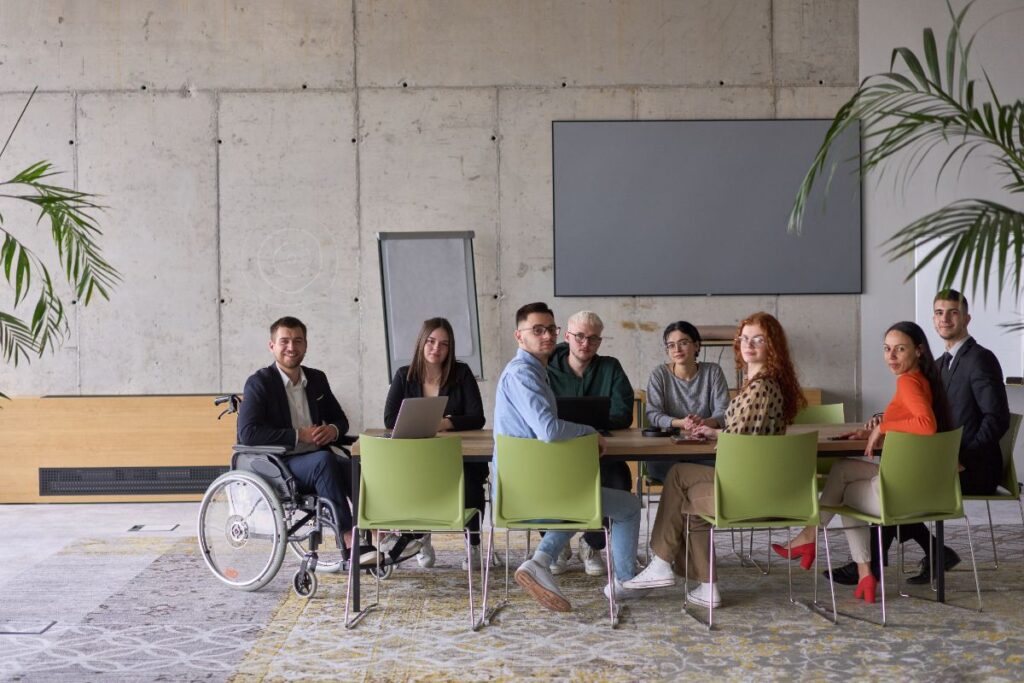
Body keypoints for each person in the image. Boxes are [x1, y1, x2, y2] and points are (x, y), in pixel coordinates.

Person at [826, 290, 1011, 586]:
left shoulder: (980, 360)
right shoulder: (940, 364)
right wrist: (880, 421)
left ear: (967, 318)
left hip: (974, 467)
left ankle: (872, 564)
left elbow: (997, 419)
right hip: (941, 463)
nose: (945, 318)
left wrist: (963, 457)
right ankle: (930, 553)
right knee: (901, 481)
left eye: (952, 312)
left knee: (897, 486)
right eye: (939, 312)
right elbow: (919, 410)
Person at [624, 312, 806, 608]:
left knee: (679, 477)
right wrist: (713, 431)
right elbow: (744, 435)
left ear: (772, 345)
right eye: (744, 338)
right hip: (757, 482)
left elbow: (740, 444)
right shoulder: (763, 383)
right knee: (692, 499)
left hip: (747, 489)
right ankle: (708, 587)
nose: (748, 344)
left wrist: (716, 434)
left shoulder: (760, 388)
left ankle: (660, 562)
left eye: (758, 339)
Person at [780, 321, 953, 604]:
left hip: (900, 494)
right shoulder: (922, 380)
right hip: (925, 488)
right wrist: (874, 428)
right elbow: (913, 426)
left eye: (900, 349)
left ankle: (815, 541)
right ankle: (862, 573)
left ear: (919, 351)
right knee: (843, 469)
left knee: (844, 494)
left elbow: (925, 425)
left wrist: (883, 428)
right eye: (887, 350)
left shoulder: (909, 382)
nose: (891, 356)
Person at [495, 302, 644, 611]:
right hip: (530, 492)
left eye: (551, 329)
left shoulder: (535, 371)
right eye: (537, 330)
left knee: (581, 499)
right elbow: (548, 430)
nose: (547, 335)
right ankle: (625, 582)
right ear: (518, 336)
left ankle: (540, 560)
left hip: (531, 486)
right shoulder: (523, 374)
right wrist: (590, 432)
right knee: (627, 507)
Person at [237, 316, 379, 565]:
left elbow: (340, 419)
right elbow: (248, 433)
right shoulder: (259, 383)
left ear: (306, 345)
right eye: (284, 341)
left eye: (298, 341)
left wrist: (333, 431)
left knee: (356, 466)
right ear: (272, 346)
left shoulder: (316, 379)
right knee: (325, 461)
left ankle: (377, 532)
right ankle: (348, 539)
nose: (291, 347)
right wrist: (297, 435)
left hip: (317, 457)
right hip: (281, 464)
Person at [383, 317, 490, 570]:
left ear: (450, 348)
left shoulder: (461, 374)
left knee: (472, 479)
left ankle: (473, 544)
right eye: (431, 341)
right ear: (422, 342)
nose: (436, 348)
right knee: (412, 478)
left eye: (443, 344)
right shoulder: (404, 375)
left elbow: (478, 417)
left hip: (457, 454)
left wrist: (446, 423)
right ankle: (421, 538)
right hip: (418, 454)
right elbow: (389, 419)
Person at [545, 310, 635, 576]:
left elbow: (623, 414)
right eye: (580, 336)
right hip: (557, 450)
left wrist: (584, 428)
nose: (586, 344)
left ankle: (591, 543)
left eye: (593, 339)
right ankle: (558, 545)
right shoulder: (544, 366)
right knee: (543, 484)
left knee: (618, 481)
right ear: (567, 336)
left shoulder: (611, 367)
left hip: (600, 450)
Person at [644, 320, 730, 481]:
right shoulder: (659, 374)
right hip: (667, 450)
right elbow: (653, 414)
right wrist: (681, 423)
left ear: (697, 345)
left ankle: (688, 491)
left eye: (683, 343)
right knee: (659, 466)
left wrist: (704, 423)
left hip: (705, 448)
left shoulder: (713, 371)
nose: (676, 349)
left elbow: (724, 411)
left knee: (724, 464)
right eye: (671, 345)